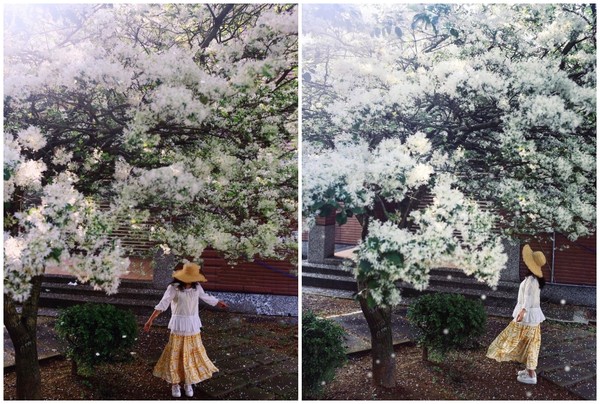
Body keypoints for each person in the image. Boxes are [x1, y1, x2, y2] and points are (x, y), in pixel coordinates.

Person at [144, 262, 228, 398]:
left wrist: (218, 302)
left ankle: (188, 382)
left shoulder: (197, 287)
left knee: (190, 354)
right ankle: (175, 383)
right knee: (175, 356)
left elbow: (205, 297)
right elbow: (163, 304)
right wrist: (150, 320)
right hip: (178, 326)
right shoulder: (173, 288)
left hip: (192, 326)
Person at [486, 244, 546, 385]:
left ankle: (531, 375)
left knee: (521, 341)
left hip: (527, 316)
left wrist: (522, 312)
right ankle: (529, 370)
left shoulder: (531, 280)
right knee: (530, 343)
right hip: (532, 316)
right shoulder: (534, 278)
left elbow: (528, 297)